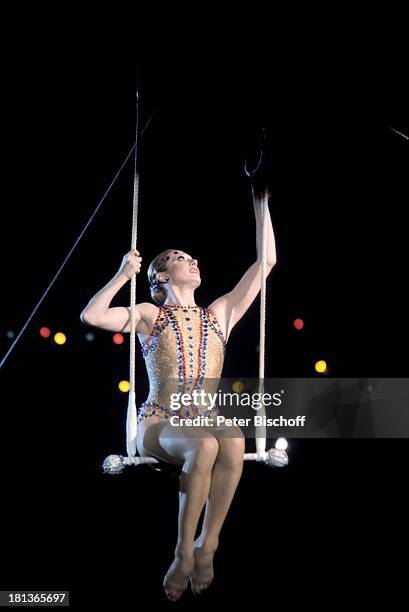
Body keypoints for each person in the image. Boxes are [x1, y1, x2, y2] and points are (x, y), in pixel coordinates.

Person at [80, 186, 277, 601]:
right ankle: (182, 552)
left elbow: (267, 261)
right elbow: (92, 315)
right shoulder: (151, 315)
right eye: (181, 258)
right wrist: (122, 275)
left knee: (234, 440)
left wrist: (261, 203)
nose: (193, 261)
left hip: (202, 420)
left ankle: (209, 545)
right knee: (204, 447)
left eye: (192, 258)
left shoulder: (219, 313)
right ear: (162, 275)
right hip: (159, 422)